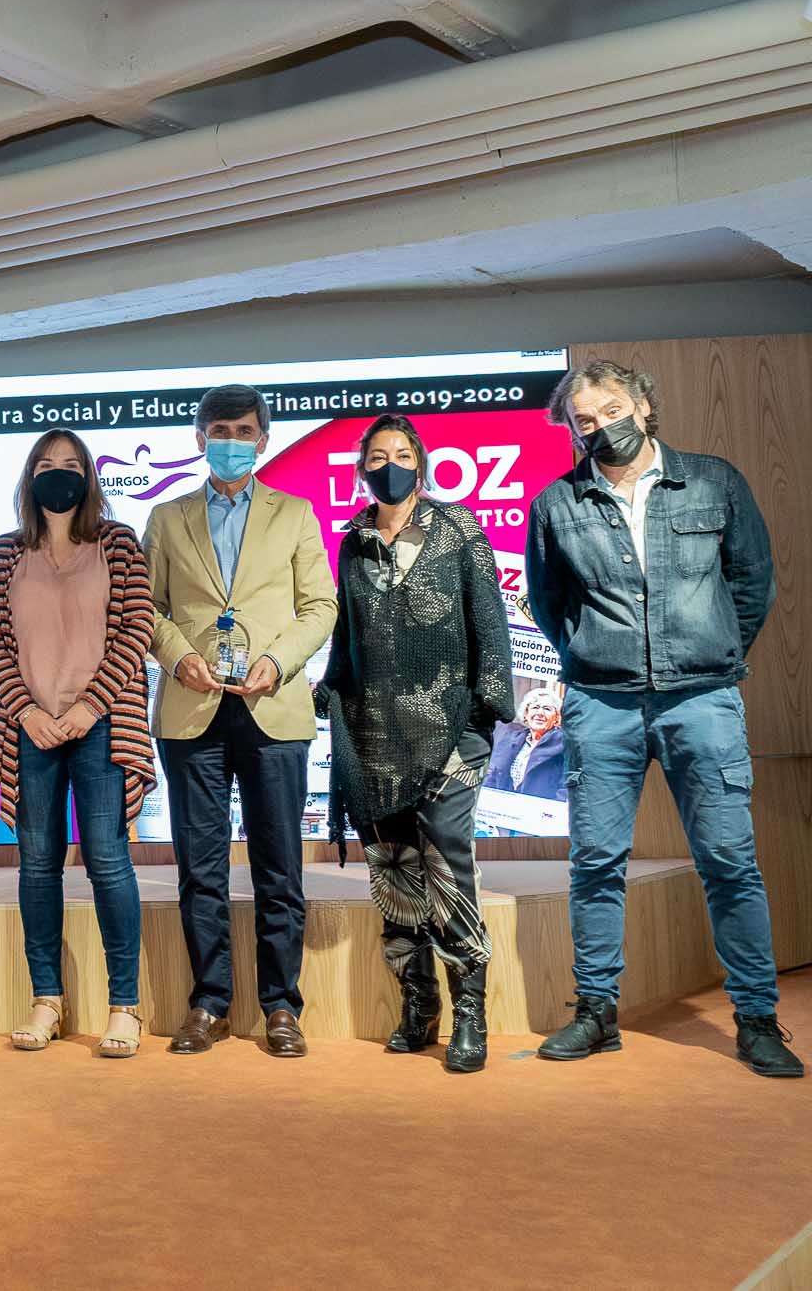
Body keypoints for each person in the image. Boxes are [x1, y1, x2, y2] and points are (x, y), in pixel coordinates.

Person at [528, 359, 800, 1077]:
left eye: (611, 408)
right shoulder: (558, 502)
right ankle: (596, 1012)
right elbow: (549, 603)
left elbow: (752, 581)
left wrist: (712, 652)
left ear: (644, 405)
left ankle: (757, 1017)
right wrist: (592, 657)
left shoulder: (714, 481)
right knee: (594, 864)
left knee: (730, 863)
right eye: (584, 419)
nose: (599, 426)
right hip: (600, 704)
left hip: (702, 700)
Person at [144, 384, 337, 1058]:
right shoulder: (168, 518)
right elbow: (149, 608)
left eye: (244, 429)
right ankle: (210, 1002)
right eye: (219, 428)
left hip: (271, 707)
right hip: (192, 709)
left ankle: (282, 1006)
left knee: (279, 867)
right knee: (200, 869)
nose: (231, 439)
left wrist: (279, 663)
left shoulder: (297, 514)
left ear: (264, 439)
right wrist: (180, 656)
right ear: (200, 439)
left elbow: (320, 605)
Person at [319, 415, 514, 1073]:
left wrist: (486, 712)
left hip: (452, 728)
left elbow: (490, 622)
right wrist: (330, 701)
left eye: (402, 453)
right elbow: (346, 642)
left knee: (447, 862)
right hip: (375, 735)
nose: (390, 463)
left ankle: (471, 1013)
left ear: (421, 463)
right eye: (378, 454)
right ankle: (419, 1002)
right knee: (394, 866)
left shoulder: (459, 529)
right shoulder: (351, 542)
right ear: (362, 468)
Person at [0, 428, 156, 1058]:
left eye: (71, 464)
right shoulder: (5, 552)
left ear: (88, 476)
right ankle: (46, 1000)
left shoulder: (118, 543)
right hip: (30, 728)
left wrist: (87, 707)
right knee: (37, 864)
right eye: (46, 465)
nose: (59, 473)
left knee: (108, 859)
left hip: (101, 725)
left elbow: (137, 627)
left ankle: (125, 1006)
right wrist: (27, 710)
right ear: (29, 477)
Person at [487, 687, 565, 801]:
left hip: (541, 812)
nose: (540, 713)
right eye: (535, 707)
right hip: (503, 808)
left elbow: (565, 787)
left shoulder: (563, 745)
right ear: (526, 714)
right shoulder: (511, 740)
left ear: (556, 717)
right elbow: (494, 775)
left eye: (547, 709)